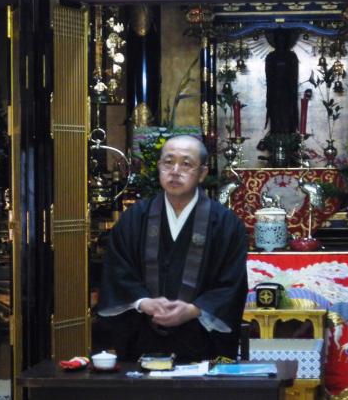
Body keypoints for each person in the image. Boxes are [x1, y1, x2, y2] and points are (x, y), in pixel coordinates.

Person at [96, 135, 248, 362]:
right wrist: (143, 302)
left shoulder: (225, 224)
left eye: (186, 164)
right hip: (142, 336)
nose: (175, 171)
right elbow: (117, 272)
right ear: (159, 167)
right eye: (168, 162)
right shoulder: (135, 218)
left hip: (201, 341)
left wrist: (194, 310)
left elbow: (231, 284)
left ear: (202, 173)